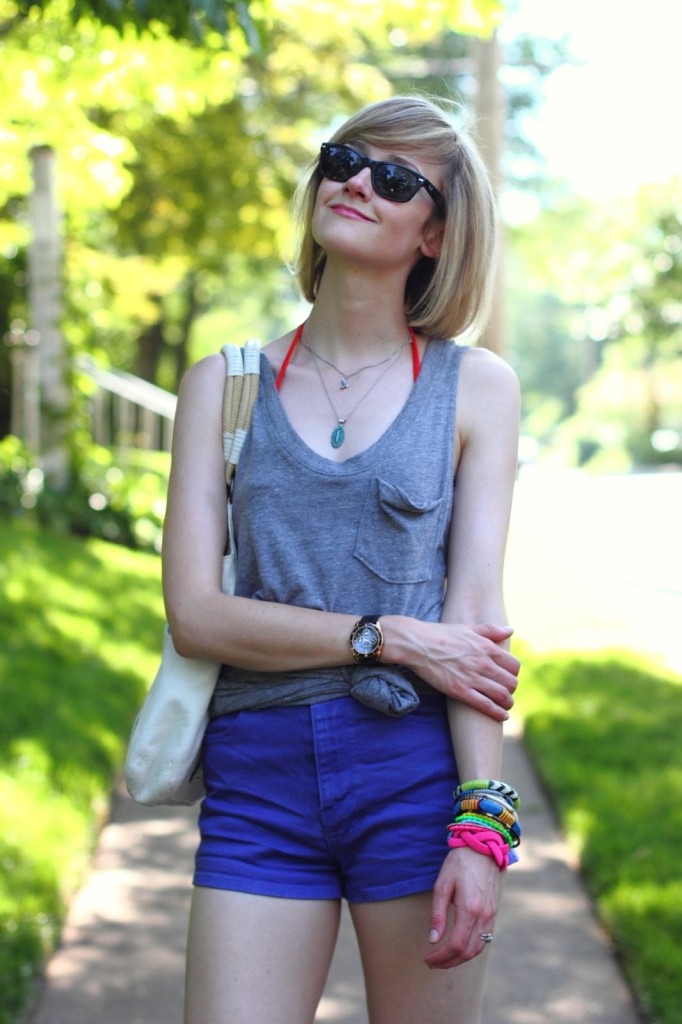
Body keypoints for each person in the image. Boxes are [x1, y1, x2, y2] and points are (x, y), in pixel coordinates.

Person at [163, 94, 522, 1024]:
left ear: (435, 235)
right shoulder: (225, 384)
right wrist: (389, 635)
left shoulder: (476, 388)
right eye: (343, 158)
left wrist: (482, 831)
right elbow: (196, 614)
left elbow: (476, 619)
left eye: (396, 179)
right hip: (260, 779)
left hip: (413, 775)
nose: (356, 181)